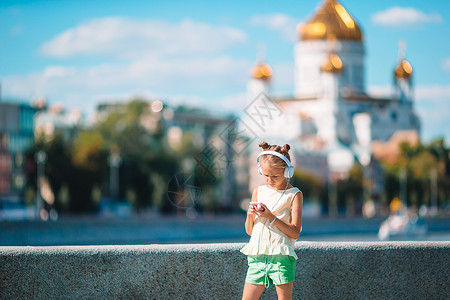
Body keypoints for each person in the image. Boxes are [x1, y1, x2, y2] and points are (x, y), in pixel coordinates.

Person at [241, 141, 303, 300]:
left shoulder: (294, 194)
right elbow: (249, 231)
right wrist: (250, 214)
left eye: (275, 176)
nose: (269, 179)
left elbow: (295, 232)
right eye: (266, 175)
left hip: (281, 256)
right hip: (257, 256)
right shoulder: (258, 191)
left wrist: (270, 217)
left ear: (287, 172)